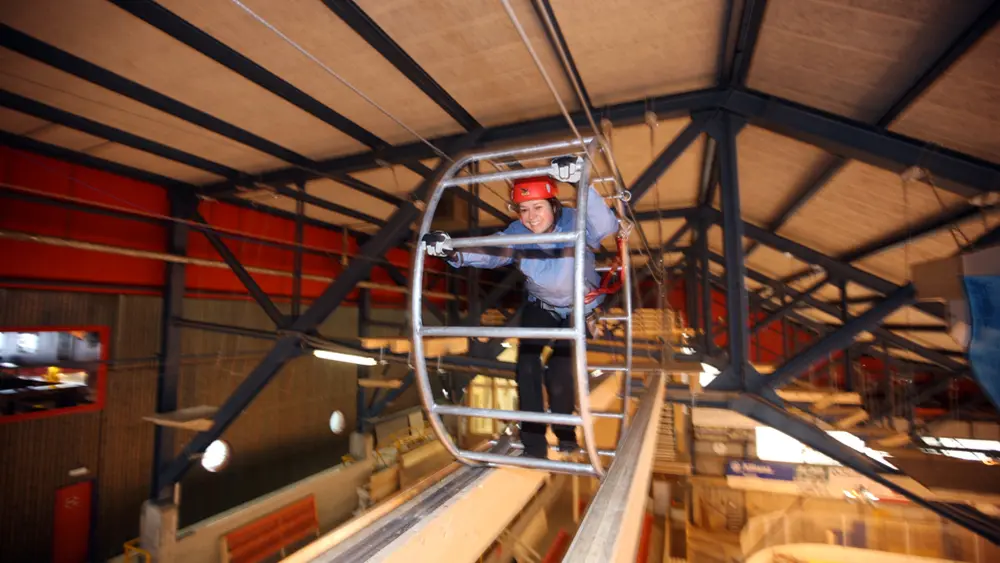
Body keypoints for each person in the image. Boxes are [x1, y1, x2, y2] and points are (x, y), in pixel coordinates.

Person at [423, 159, 619, 459]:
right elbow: (490, 252)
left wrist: (582, 183)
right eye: (524, 210)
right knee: (526, 365)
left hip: (578, 310)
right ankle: (534, 444)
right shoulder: (518, 231)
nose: (530, 217)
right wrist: (454, 251)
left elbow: (607, 225)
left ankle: (566, 433)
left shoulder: (576, 222)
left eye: (538, 208)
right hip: (541, 306)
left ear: (554, 205)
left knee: (559, 370)